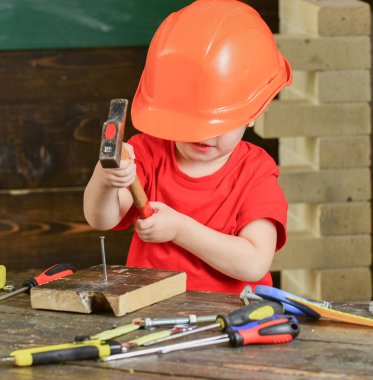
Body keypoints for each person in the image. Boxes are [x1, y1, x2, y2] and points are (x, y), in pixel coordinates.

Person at [84, 0, 292, 294]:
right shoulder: (147, 153)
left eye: (216, 124)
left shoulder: (255, 172)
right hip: (151, 313)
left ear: (252, 114)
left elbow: (254, 264)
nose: (203, 135)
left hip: (231, 320)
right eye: (188, 120)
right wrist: (105, 180)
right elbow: (102, 219)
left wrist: (181, 230)